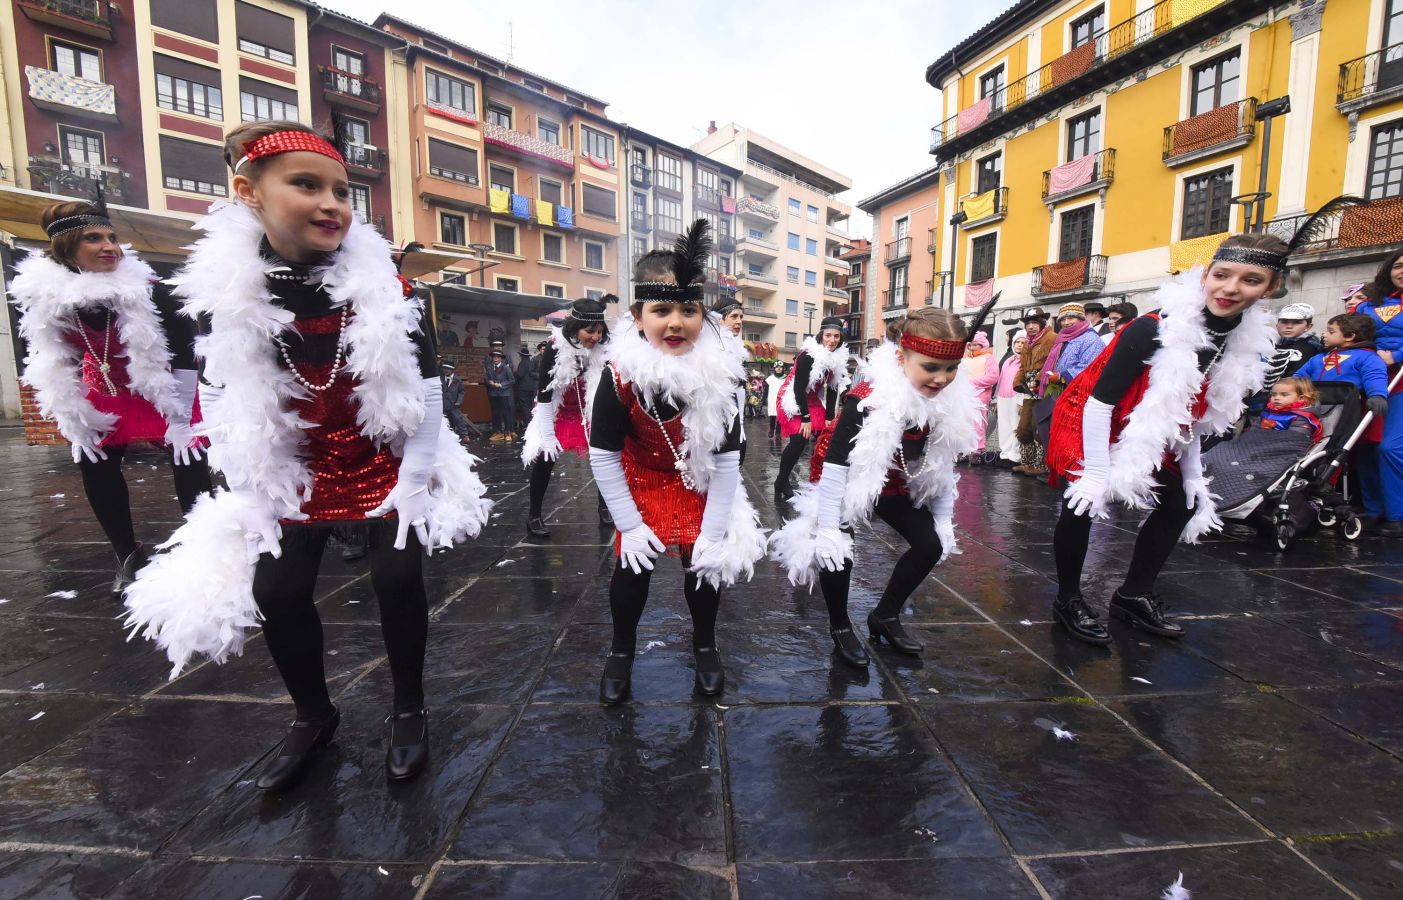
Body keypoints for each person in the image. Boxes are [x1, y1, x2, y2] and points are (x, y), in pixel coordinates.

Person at [123, 121, 493, 791]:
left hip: (382, 455)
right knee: (277, 590)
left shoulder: (393, 292)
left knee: (396, 579)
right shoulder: (225, 298)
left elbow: (429, 387)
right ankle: (312, 716)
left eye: (343, 191)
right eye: (305, 185)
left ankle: (408, 710)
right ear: (248, 193)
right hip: (293, 464)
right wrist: (245, 476)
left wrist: (414, 478)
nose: (332, 204)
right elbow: (217, 387)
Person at [1044, 232, 1283, 645]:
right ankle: (1068, 599)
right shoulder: (1150, 329)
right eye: (1222, 275)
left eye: (1250, 280)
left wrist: (1192, 472)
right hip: (1090, 413)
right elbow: (1101, 402)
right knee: (1082, 501)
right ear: (1205, 275)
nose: (1230, 288)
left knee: (1179, 502)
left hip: (1151, 419)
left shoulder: (1238, 339)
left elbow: (1190, 407)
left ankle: (1132, 595)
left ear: (1270, 288)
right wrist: (1096, 472)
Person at [588, 221, 764, 704]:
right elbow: (602, 455)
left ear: (703, 315)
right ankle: (621, 650)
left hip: (698, 478)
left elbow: (728, 460)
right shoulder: (619, 373)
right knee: (632, 567)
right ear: (637, 315)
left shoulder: (723, 374)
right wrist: (628, 521)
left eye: (689, 310)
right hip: (639, 476)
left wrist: (711, 534)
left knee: (701, 567)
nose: (675, 322)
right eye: (661, 310)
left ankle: (705, 644)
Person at [11, 200, 212, 599]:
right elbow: (52, 360)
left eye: (112, 237)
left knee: (188, 454)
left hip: (166, 384)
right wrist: (72, 415)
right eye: (94, 238)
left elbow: (187, 352)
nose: (110, 246)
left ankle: (205, 545)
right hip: (104, 388)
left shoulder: (151, 292)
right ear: (66, 248)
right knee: (94, 457)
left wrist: (181, 418)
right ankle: (128, 554)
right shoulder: (45, 298)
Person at [770, 305, 987, 666]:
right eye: (931, 368)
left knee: (929, 544)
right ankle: (840, 626)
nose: (941, 378)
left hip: (896, 477)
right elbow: (836, 464)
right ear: (901, 358)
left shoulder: (950, 396)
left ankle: (885, 615)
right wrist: (827, 527)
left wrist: (944, 518)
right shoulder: (866, 398)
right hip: (846, 473)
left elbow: (942, 458)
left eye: (951, 369)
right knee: (838, 550)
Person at [521, 296, 613, 538]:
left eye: (600, 332)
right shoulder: (554, 347)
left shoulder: (603, 349)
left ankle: (605, 508)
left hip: (590, 410)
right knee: (545, 458)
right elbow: (544, 392)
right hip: (557, 410)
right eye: (590, 331)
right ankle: (534, 515)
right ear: (574, 328)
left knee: (605, 457)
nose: (595, 337)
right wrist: (548, 435)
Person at [1297, 312, 1392, 529]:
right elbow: (1299, 378)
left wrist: (1377, 394)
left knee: (1333, 450)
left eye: (1331, 331)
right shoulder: (1318, 359)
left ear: (1349, 336)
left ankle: (1322, 486)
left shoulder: (1367, 357)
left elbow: (1375, 375)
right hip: (1312, 410)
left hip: (1342, 412)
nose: (1325, 335)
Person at [1203, 376, 1326, 512]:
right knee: (1215, 456)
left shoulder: (1302, 418)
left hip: (1280, 450)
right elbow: (1254, 431)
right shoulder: (1268, 412)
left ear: (1302, 398)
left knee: (1238, 468)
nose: (1276, 398)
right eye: (1273, 395)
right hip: (1252, 446)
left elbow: (1295, 439)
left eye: (1284, 395)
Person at [1355, 249, 1403, 535]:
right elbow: (1355, 333)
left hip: (1400, 382)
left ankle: (1398, 514)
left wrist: (1396, 355)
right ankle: (1374, 509)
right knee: (1365, 446)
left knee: (1390, 447)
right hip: (1369, 379)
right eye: (1398, 266)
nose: (1402, 271)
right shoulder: (1370, 302)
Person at [774, 317, 849, 500]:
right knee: (800, 438)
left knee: (828, 437)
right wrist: (806, 418)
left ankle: (821, 480)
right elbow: (798, 388)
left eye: (836, 336)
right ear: (821, 335)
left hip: (813, 398)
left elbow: (832, 389)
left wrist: (829, 417)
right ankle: (781, 480)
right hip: (792, 397)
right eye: (828, 335)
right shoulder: (807, 356)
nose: (832, 340)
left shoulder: (837, 359)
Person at [1251, 302, 1324, 414]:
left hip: (1291, 406)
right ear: (1277, 324)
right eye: (1284, 322)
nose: (1289, 326)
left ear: (1308, 326)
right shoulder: (1267, 344)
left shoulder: (1311, 348)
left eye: (1297, 322)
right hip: (1258, 402)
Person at [1013, 307, 1053, 476]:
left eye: (1035, 323)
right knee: (1024, 428)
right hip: (1029, 390)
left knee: (1040, 428)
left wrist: (1040, 378)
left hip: (1045, 388)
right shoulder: (1028, 343)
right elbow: (1023, 366)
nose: (1031, 326)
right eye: (1028, 323)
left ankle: (1041, 465)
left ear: (1042, 324)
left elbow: (1053, 363)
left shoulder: (1052, 339)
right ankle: (1027, 462)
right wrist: (1017, 381)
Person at [713, 294, 751, 462]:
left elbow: (739, 388)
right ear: (720, 320)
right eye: (734, 316)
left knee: (739, 454)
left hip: (736, 414)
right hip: (716, 416)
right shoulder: (713, 346)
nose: (739, 321)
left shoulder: (737, 347)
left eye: (741, 317)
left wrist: (741, 423)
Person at [1040, 303, 1107, 397]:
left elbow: (1090, 366)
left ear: (1081, 319)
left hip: (1078, 393)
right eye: (1063, 319)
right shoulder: (1062, 337)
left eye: (1071, 318)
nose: (1066, 322)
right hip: (1059, 390)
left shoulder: (1091, 338)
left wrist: (1062, 377)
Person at [958, 331, 998, 460]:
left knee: (978, 423)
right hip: (965, 395)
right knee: (962, 422)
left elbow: (993, 377)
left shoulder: (989, 358)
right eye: (971, 344)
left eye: (976, 345)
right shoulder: (965, 359)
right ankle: (962, 449)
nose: (972, 347)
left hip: (980, 396)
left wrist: (972, 383)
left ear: (982, 346)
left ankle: (977, 450)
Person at [995, 331, 1028, 467]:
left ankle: (1015, 455)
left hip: (1017, 396)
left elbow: (1026, 381)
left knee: (1016, 425)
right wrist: (995, 399)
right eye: (1017, 342)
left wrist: (1022, 400)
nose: (1020, 345)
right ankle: (1005, 453)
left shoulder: (1027, 361)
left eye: (1023, 342)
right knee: (1004, 426)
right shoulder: (1009, 360)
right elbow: (1001, 379)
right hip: (1003, 397)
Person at [483, 340, 516, 441]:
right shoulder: (489, 367)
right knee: (495, 413)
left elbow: (512, 380)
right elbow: (486, 378)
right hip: (493, 394)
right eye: (494, 357)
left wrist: (501, 384)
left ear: (501, 358)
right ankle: (497, 432)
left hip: (503, 394)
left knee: (506, 413)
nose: (495, 359)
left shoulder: (506, 368)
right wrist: (490, 383)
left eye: (497, 357)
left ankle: (508, 432)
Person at [440, 360, 471, 442]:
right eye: (445, 368)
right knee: (444, 420)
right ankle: (446, 436)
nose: (446, 370)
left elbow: (461, 392)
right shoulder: (440, 378)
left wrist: (459, 401)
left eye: (448, 369)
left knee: (458, 419)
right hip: (443, 404)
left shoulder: (457, 380)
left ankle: (464, 435)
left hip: (454, 404)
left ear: (452, 370)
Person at [513, 346, 536, 433]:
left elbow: (520, 374)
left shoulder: (522, 363)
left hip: (523, 388)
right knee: (530, 406)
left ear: (522, 356)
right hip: (531, 387)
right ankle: (531, 425)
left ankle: (528, 425)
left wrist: (515, 373)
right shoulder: (531, 362)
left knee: (525, 406)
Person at [764, 362, 785, 446]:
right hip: (772, 399)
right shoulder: (770, 379)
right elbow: (765, 391)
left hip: (782, 400)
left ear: (783, 368)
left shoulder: (786, 378)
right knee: (772, 416)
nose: (778, 368)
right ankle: (772, 430)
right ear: (774, 368)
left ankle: (778, 433)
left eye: (780, 367)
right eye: (777, 367)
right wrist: (763, 400)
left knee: (780, 417)